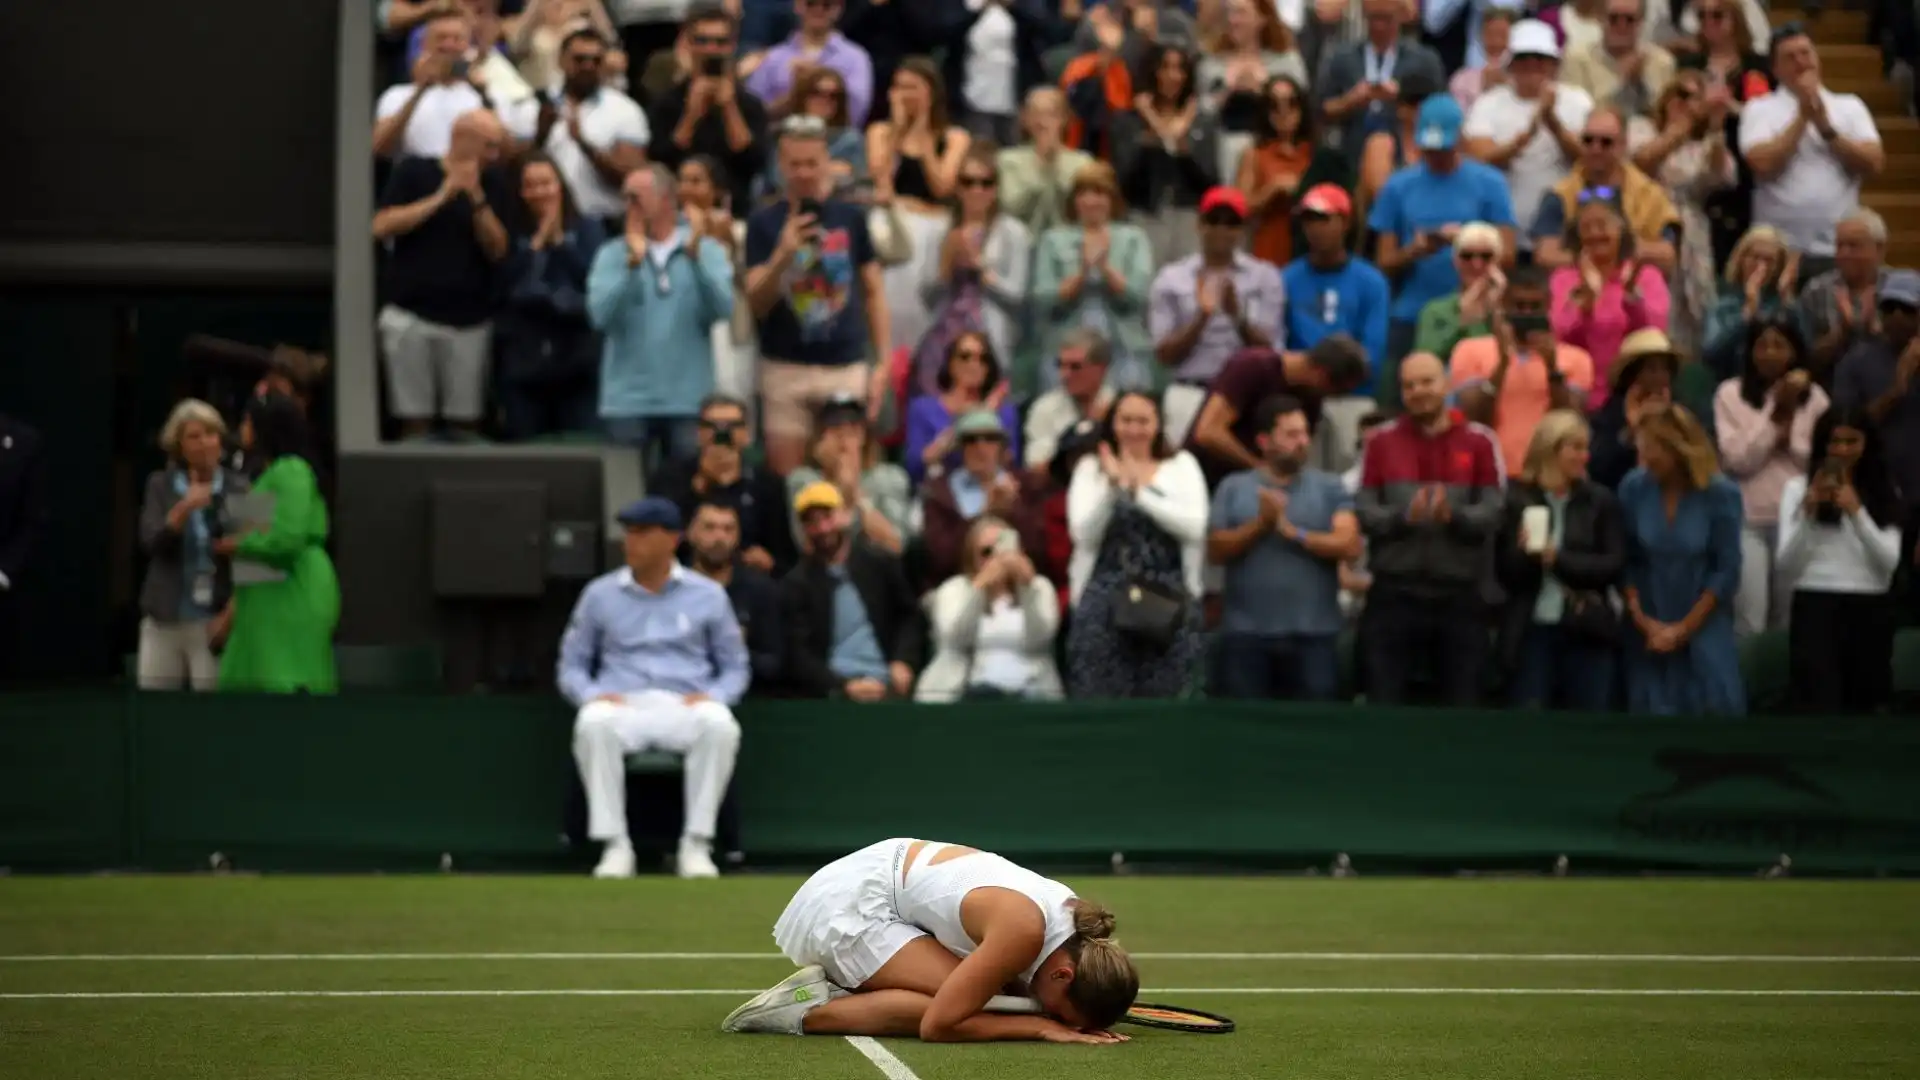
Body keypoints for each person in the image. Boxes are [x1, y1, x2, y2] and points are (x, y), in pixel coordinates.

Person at [721, 838, 1138, 1042]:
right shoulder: (1024, 930)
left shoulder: (1077, 924)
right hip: (848, 901)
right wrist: (1039, 1027)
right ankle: (804, 1011)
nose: (1053, 1015)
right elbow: (938, 1026)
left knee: (984, 992)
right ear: (1064, 973)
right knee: (975, 1002)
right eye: (1061, 1011)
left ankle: (847, 984)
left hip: (885, 883)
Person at [557, 496, 749, 879]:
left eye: (643, 533)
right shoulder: (599, 594)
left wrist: (717, 695)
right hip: (622, 703)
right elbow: (572, 665)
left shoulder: (708, 594)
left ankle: (696, 844)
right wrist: (589, 694)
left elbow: (735, 667)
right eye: (629, 533)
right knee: (592, 723)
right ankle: (615, 845)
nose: (631, 542)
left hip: (685, 704)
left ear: (672, 540)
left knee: (721, 725)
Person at [745, 116, 892, 476]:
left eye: (811, 163)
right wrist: (782, 256)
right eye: (795, 164)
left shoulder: (850, 217)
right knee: (789, 484)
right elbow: (755, 303)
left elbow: (873, 291)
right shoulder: (763, 223)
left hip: (843, 366)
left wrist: (882, 364)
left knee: (845, 477)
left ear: (826, 161)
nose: (804, 173)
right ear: (781, 166)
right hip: (785, 367)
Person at [1206, 394, 1360, 700]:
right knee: (1245, 731)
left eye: (1304, 433)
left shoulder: (1330, 487)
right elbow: (1216, 550)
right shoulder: (1234, 487)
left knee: (1315, 732)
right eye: (1291, 434)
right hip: (1247, 637)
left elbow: (1349, 544)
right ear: (1263, 441)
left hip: (1315, 636)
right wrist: (1259, 527)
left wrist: (1295, 534)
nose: (1303, 441)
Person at [1064, 391, 1209, 699]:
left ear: (1158, 425)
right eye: (1126, 420)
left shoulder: (1181, 465)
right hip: (1104, 598)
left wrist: (1139, 493)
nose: (1134, 430)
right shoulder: (1091, 468)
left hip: (1170, 596)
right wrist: (1114, 487)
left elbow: (1195, 527)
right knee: (1100, 696)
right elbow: (1083, 534)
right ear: (1112, 424)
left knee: (1167, 698)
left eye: (1143, 421)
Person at [1494, 409, 1626, 710]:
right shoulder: (1517, 499)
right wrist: (1524, 555)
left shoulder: (1600, 501)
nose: (1585, 457)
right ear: (1551, 450)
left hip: (1587, 631)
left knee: (1588, 726)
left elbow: (1612, 565)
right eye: (1576, 448)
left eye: (1585, 448)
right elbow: (1502, 575)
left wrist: (1558, 559)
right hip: (1532, 632)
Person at [1618, 405, 1746, 715]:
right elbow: (1627, 561)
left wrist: (1683, 630)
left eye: (1652, 449)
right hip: (1648, 624)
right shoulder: (1634, 488)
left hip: (1703, 618)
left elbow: (1726, 569)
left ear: (1679, 449)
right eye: (1642, 448)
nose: (1645, 458)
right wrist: (1645, 623)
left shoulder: (1721, 494)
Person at [1776, 407, 1904, 713]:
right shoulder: (1796, 489)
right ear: (1822, 445)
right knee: (1817, 705)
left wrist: (1857, 512)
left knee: (1865, 705)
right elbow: (1785, 566)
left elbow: (1889, 564)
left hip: (1869, 605)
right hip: (1815, 602)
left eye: (1852, 442)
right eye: (1835, 442)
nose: (1842, 451)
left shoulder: (1885, 492)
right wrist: (1807, 514)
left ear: (1866, 444)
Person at [212, 394, 340, 695]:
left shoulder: (291, 469)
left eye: (247, 420)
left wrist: (236, 545)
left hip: (291, 593)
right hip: (260, 598)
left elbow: (287, 538)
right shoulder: (266, 474)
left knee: (283, 684)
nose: (242, 427)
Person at [1713, 314, 1826, 638]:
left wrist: (1789, 439)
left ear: (1795, 351)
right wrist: (1777, 414)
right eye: (1761, 345)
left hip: (1798, 520)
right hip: (1748, 521)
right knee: (1750, 619)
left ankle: (1784, 689)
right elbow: (1738, 461)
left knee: (1788, 618)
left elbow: (1818, 462)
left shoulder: (1816, 398)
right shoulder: (1729, 395)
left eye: (1779, 345)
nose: (1770, 353)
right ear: (1749, 352)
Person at [137, 400, 251, 692]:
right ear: (179, 446)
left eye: (211, 434)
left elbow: (258, 563)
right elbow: (150, 542)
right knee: (155, 711)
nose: (205, 443)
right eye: (194, 436)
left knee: (212, 714)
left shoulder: (242, 487)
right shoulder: (159, 485)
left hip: (214, 621)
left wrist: (230, 616)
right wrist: (182, 510)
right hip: (165, 619)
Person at [779, 481, 925, 701]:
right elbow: (798, 654)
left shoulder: (880, 563)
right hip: (832, 691)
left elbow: (910, 617)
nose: (822, 529)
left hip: (887, 681)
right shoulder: (796, 584)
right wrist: (843, 685)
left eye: (828, 517)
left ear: (845, 515)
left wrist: (903, 661)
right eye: (812, 522)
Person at [915, 516, 1065, 702]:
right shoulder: (954, 589)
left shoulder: (1039, 587)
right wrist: (979, 589)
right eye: (987, 552)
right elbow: (957, 640)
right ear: (972, 558)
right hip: (969, 691)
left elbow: (1040, 640)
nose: (997, 559)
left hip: (1031, 690)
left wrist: (1028, 588)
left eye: (1003, 550)